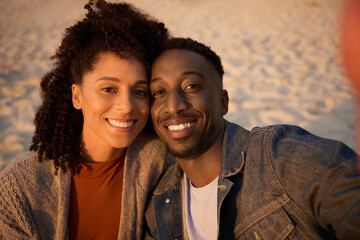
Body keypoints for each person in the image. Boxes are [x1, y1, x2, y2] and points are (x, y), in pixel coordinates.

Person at [145, 38, 360, 239]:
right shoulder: (159, 205)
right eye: (159, 92)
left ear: (222, 102)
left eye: (191, 86)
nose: (173, 105)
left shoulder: (280, 158)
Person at [0, 1, 173, 239]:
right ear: (77, 95)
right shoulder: (19, 186)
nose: (126, 106)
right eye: (109, 89)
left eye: (140, 91)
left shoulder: (165, 166)